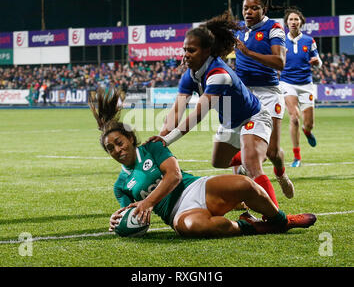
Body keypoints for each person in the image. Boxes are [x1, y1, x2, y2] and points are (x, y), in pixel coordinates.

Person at [89, 87, 316, 238]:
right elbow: (130, 213)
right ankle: (251, 225)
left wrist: (147, 202)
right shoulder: (120, 185)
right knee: (191, 227)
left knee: (245, 185)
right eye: (110, 148)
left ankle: (282, 220)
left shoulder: (152, 147)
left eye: (119, 143)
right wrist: (118, 221)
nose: (117, 150)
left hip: (195, 187)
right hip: (177, 214)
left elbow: (174, 175)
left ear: (129, 138)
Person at [147, 11, 282, 211]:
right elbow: (177, 111)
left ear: (207, 51)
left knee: (253, 165)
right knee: (218, 162)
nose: (185, 55)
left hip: (253, 116)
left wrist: (168, 140)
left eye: (191, 50)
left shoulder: (219, 74)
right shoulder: (190, 75)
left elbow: (197, 114)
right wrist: (159, 140)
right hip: (230, 122)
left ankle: (276, 216)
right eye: (184, 49)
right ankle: (248, 157)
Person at [231, 0, 294, 199]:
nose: (248, 12)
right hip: (244, 95)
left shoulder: (274, 28)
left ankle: (281, 173)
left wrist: (247, 53)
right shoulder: (238, 29)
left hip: (268, 93)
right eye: (245, 8)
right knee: (241, 145)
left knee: (272, 152)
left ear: (264, 10)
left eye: (254, 8)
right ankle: (242, 193)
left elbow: (280, 62)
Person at [280, 7, 322, 167]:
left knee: (308, 123)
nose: (293, 22)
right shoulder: (281, 41)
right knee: (294, 117)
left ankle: (308, 131)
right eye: (290, 19)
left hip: (306, 84)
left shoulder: (309, 41)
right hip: (287, 83)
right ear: (287, 23)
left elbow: (318, 62)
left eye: (296, 19)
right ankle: (297, 157)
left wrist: (317, 62)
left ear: (301, 22)